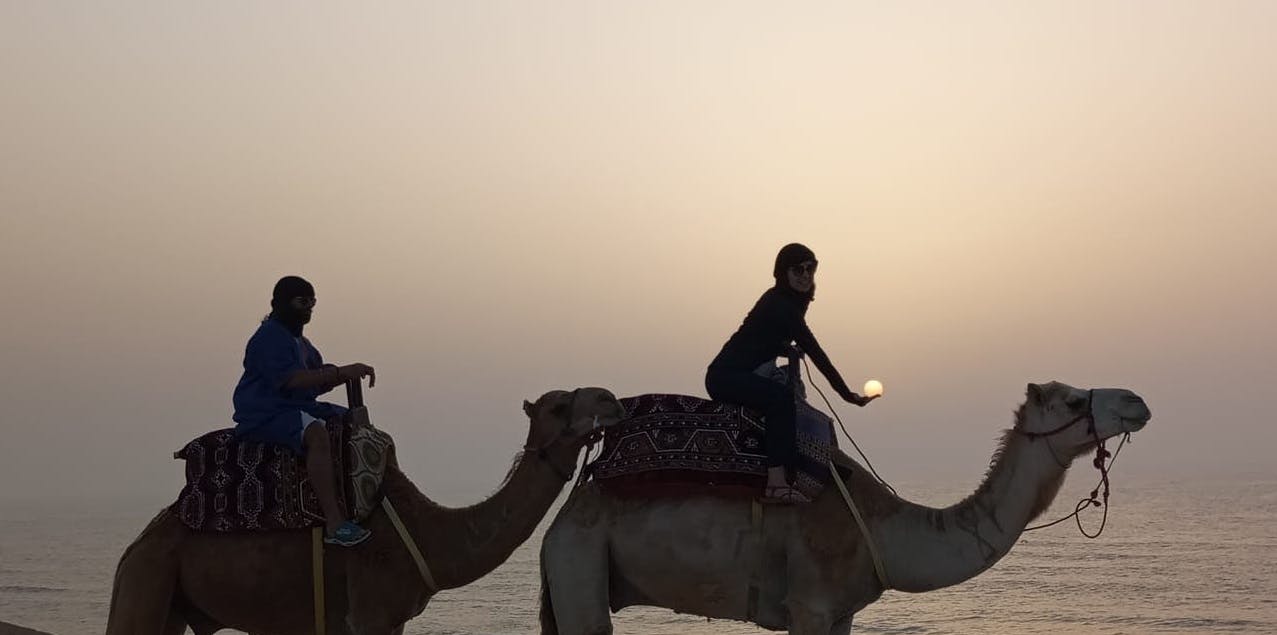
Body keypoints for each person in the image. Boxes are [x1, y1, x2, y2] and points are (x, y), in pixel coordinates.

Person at [706, 243, 876, 504]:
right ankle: (776, 484)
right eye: (798, 269)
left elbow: (761, 339)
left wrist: (787, 350)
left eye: (811, 269)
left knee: (790, 399)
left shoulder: (786, 304)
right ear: (783, 272)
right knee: (780, 399)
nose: (806, 275)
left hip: (742, 373)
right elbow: (816, 353)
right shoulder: (781, 305)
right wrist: (847, 395)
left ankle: (808, 464)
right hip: (726, 377)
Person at [232, 275, 376, 546]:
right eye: (302, 302)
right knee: (317, 433)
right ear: (282, 303)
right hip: (266, 412)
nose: (309, 308)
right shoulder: (269, 338)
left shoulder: (302, 344)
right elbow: (292, 380)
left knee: (351, 423)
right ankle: (335, 523)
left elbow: (316, 380)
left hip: (295, 406)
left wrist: (347, 374)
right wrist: (340, 372)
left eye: (312, 302)